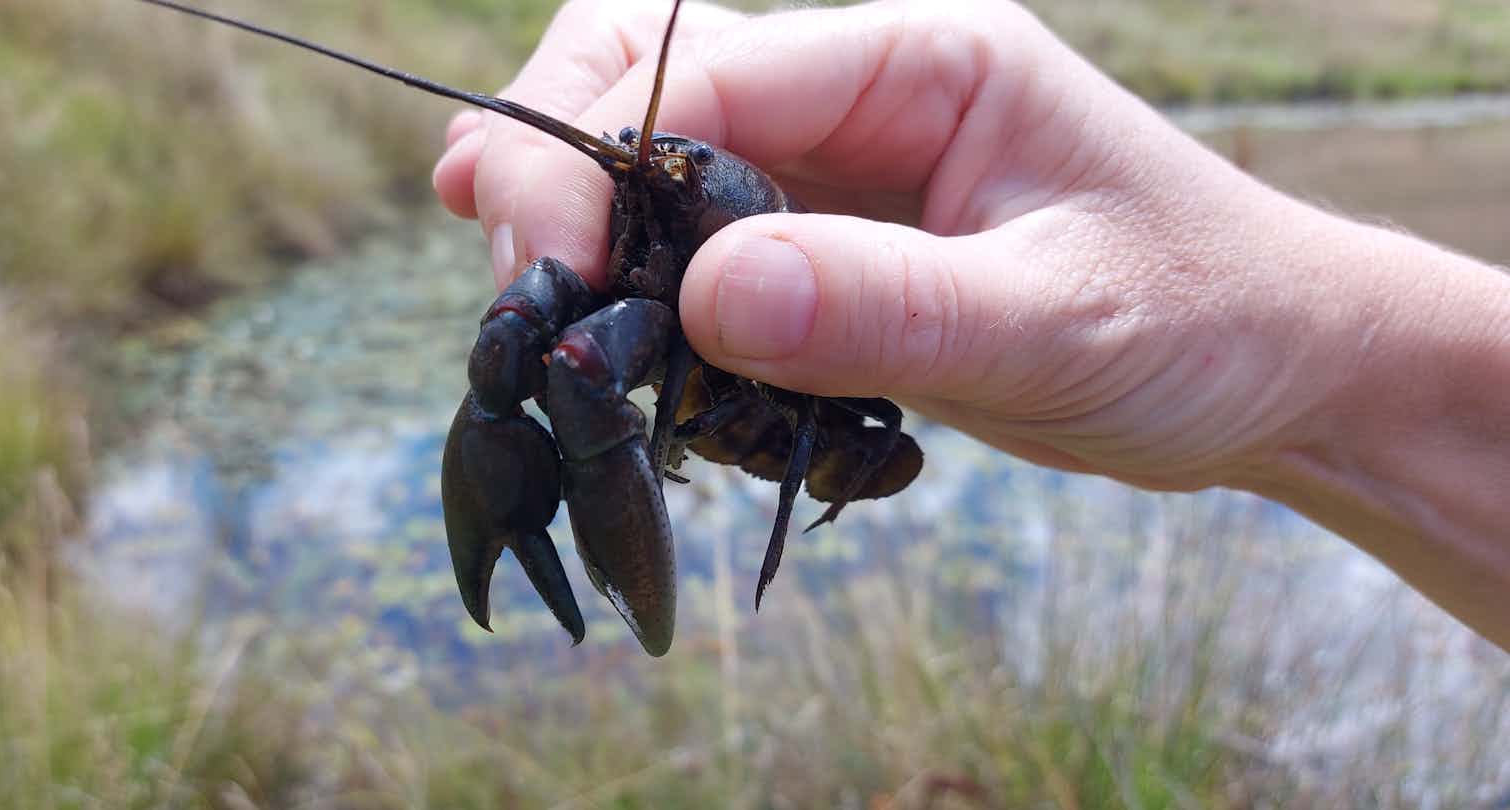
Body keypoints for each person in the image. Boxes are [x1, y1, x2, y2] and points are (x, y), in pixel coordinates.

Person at [429, 0, 1510, 649]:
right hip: (727, 390)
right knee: (546, 341)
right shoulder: (638, 248)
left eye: (674, 167)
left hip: (841, 439)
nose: (653, 178)